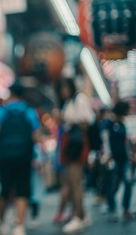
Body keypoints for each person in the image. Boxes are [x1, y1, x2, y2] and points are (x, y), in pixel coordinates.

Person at [0, 80, 40, 235]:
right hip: (24, 156)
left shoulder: (1, 109)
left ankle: (1, 223)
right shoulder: (29, 110)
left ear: (11, 93)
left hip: (4, 155)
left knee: (5, 188)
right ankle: (19, 226)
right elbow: (36, 134)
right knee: (23, 189)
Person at [56, 78, 94, 233]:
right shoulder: (70, 101)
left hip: (75, 144)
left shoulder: (79, 99)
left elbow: (87, 120)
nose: (63, 91)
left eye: (65, 87)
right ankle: (81, 215)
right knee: (71, 182)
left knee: (75, 182)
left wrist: (65, 118)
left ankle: (79, 217)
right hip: (70, 143)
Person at [101, 100, 133, 221]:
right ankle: (111, 207)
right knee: (112, 183)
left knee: (128, 182)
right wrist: (108, 155)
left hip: (124, 159)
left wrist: (130, 155)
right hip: (112, 159)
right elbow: (105, 140)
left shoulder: (122, 125)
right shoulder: (107, 124)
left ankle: (126, 208)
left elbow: (126, 142)